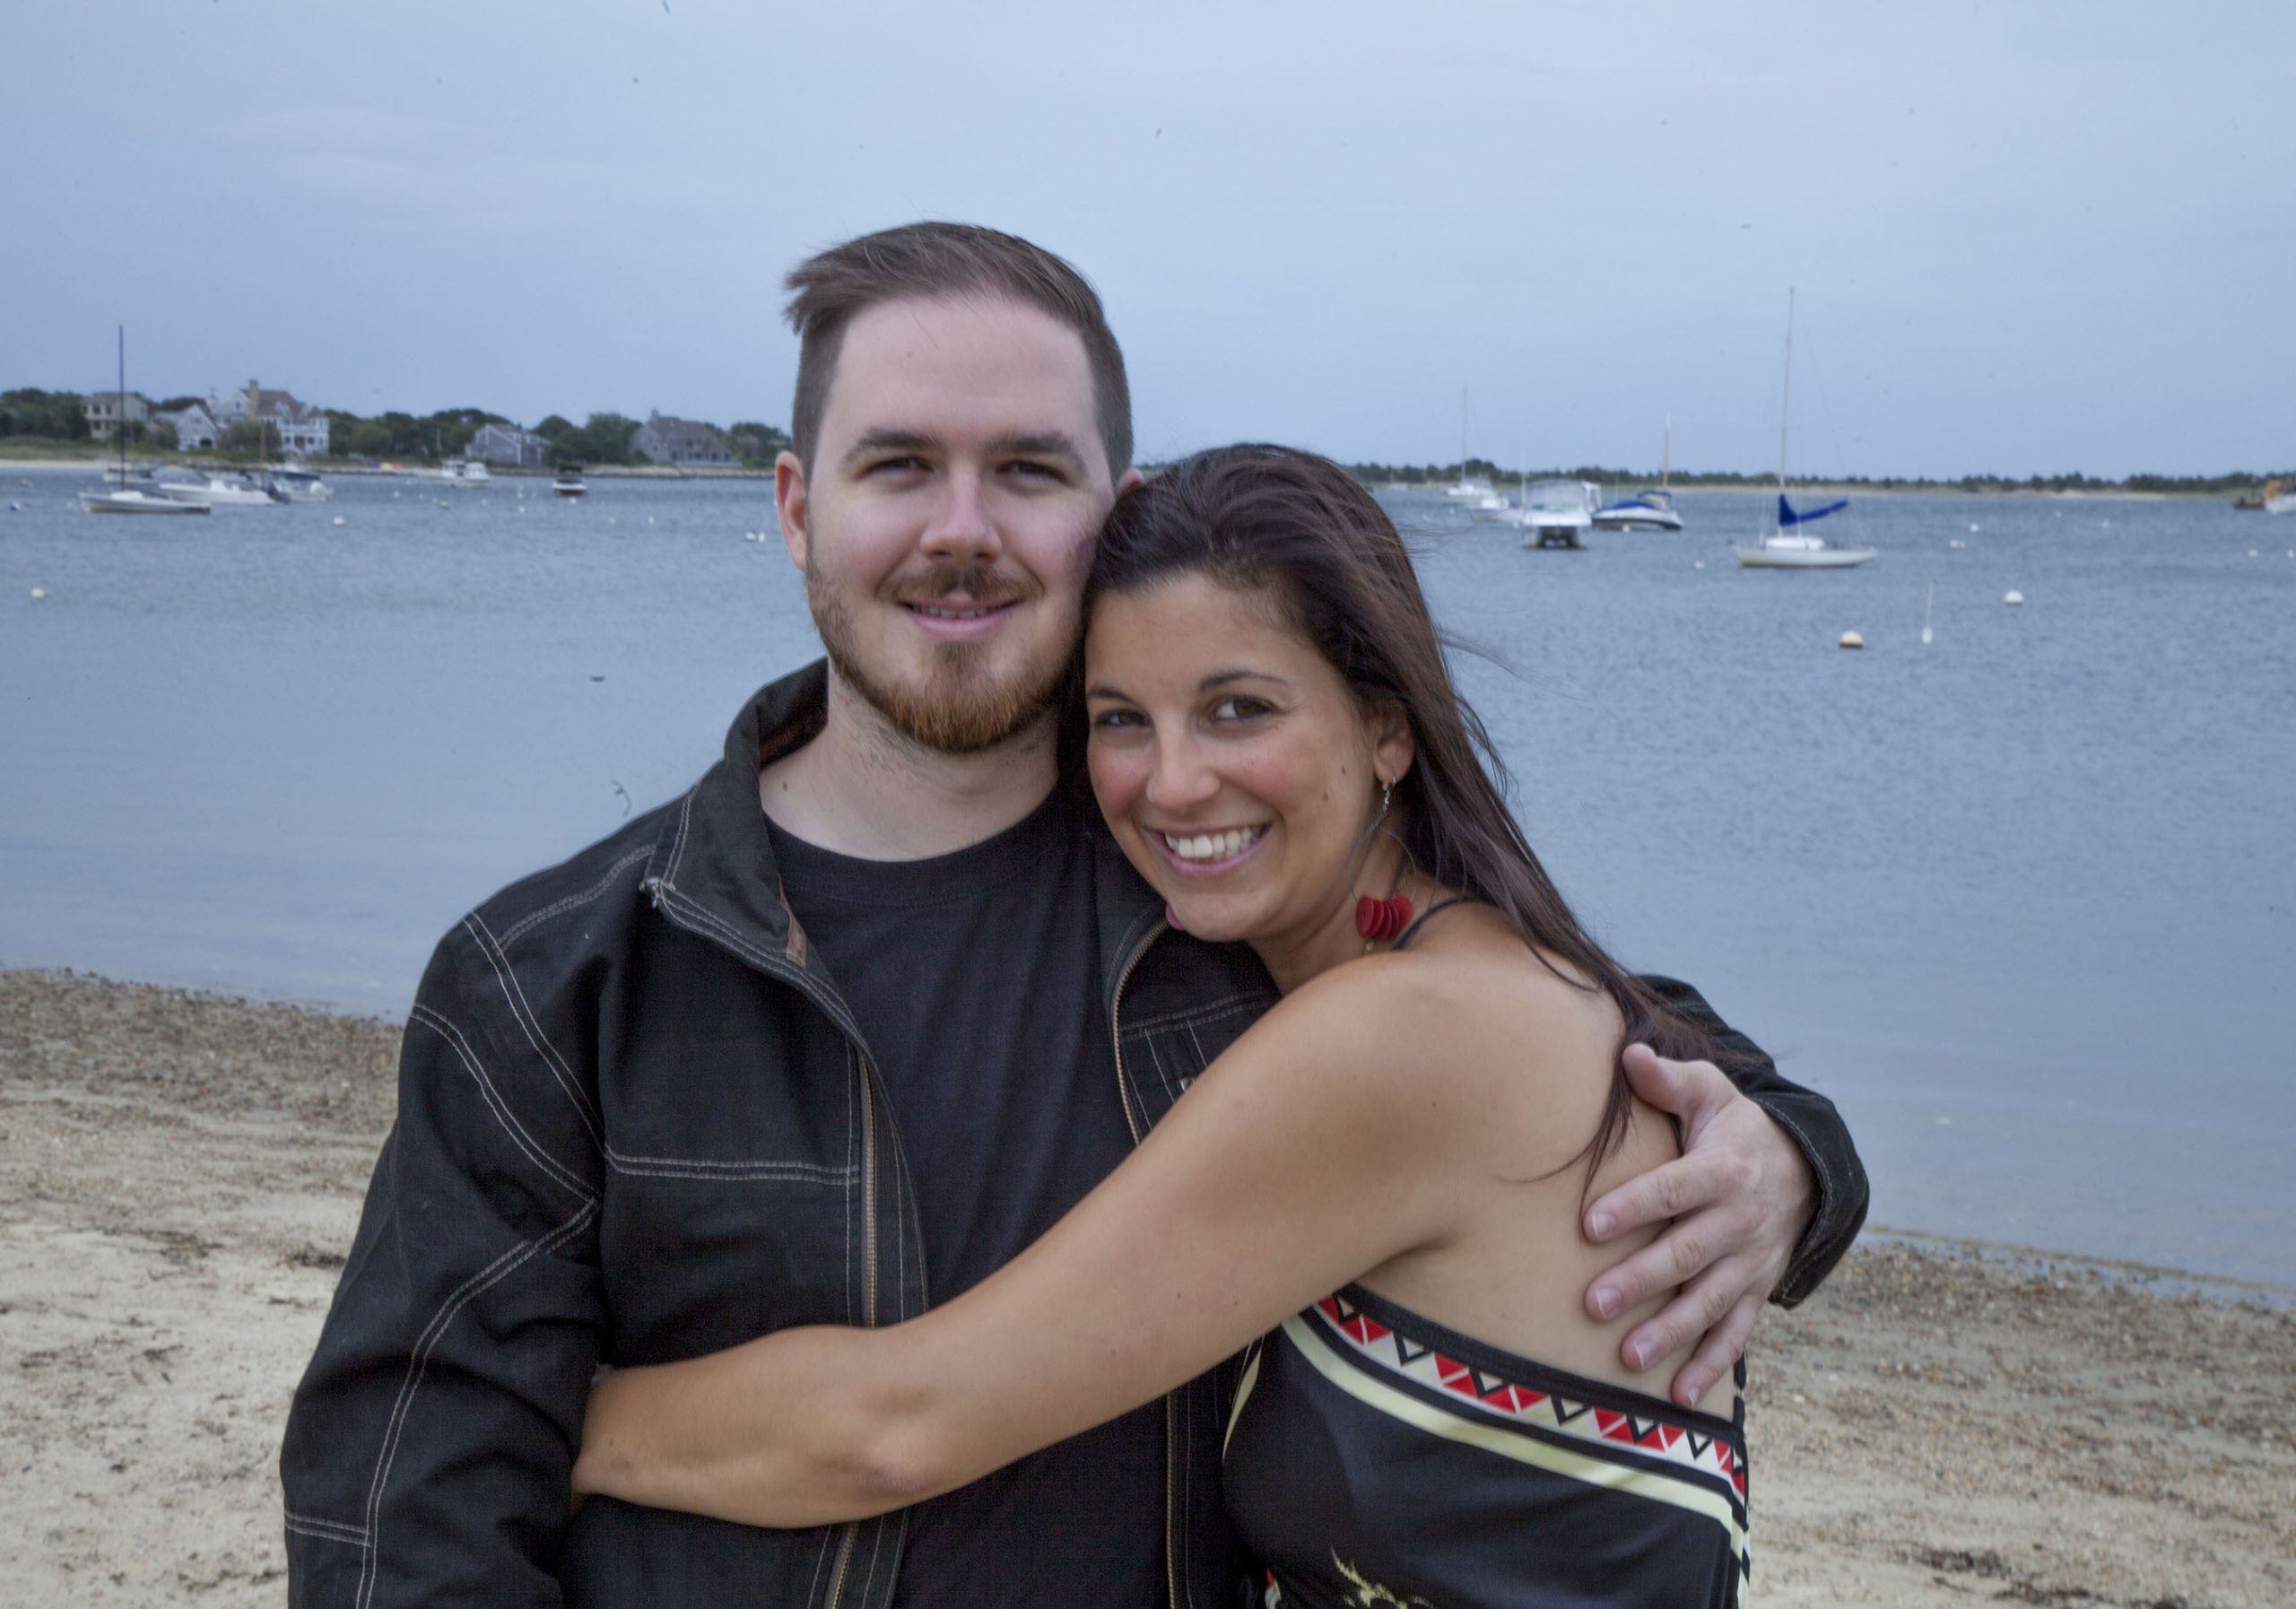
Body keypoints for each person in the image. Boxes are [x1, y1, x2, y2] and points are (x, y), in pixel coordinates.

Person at [280, 223, 1866, 1608]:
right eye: (898, 464)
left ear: (1105, 512)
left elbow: (1577, 1025)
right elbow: (405, 1509)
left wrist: (1790, 1154)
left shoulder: (1214, 893)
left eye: (1027, 469)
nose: (961, 526)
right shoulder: (564, 974)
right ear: (793, 506)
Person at [570, 443, 1777, 1604]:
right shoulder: (1499, 980)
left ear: (1388, 728)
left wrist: (548, 1408)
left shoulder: (1401, 1035)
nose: (1174, 782)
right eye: (1120, 719)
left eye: (1239, 709)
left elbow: (898, 1427)